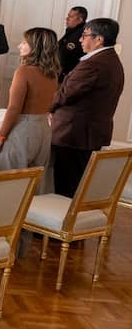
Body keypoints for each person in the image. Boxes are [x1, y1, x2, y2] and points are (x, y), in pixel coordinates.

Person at [50, 18, 124, 198]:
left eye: (84, 35)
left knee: (66, 188)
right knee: (75, 183)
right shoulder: (110, 59)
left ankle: (60, 223)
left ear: (99, 39)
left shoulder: (94, 64)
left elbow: (66, 93)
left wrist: (44, 106)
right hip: (87, 133)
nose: (80, 40)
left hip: (74, 134)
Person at [0, 27, 59, 170]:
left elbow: (14, 109)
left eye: (24, 43)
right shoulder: (53, 74)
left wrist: (0, 137)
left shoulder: (24, 72)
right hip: (43, 129)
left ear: (35, 47)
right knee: (32, 183)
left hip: (24, 130)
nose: (19, 46)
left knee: (7, 182)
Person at [57, 6, 87, 81]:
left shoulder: (81, 34)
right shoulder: (71, 31)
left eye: (71, 16)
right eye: (68, 16)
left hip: (67, 77)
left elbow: (65, 55)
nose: (67, 18)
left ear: (80, 19)